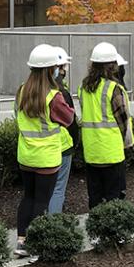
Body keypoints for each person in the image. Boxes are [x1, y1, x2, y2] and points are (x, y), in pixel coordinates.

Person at [13, 44, 75, 257]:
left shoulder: (21, 91)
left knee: (28, 198)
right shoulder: (53, 96)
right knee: (41, 200)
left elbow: (17, 116)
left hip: (26, 155)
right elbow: (68, 119)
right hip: (47, 158)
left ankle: (21, 241)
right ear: (51, 70)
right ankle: (37, 243)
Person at [79, 42, 130, 208]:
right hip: (111, 152)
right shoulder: (113, 89)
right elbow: (123, 121)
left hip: (92, 151)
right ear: (112, 66)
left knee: (95, 196)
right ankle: (111, 231)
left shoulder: (84, 88)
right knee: (114, 198)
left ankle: (96, 229)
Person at [48, 46, 79, 214]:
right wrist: (75, 142)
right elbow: (71, 122)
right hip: (61, 147)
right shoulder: (60, 94)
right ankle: (54, 227)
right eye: (64, 67)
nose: (65, 70)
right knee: (58, 188)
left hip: (34, 149)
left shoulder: (28, 90)